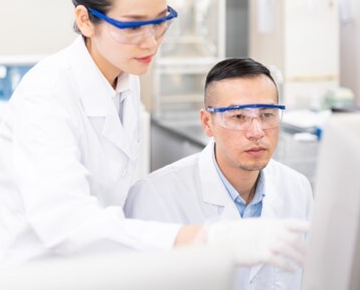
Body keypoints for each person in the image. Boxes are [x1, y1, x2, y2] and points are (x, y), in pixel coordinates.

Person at [0, 0, 308, 272]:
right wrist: (203, 238)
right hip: (17, 269)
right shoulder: (47, 94)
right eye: (133, 26)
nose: (151, 41)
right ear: (85, 20)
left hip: (79, 266)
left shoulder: (125, 76)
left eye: (160, 22)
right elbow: (65, 222)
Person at [124, 57, 313, 290]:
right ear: (207, 122)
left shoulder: (297, 188)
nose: (256, 132)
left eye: (267, 114)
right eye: (238, 116)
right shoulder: (154, 197)